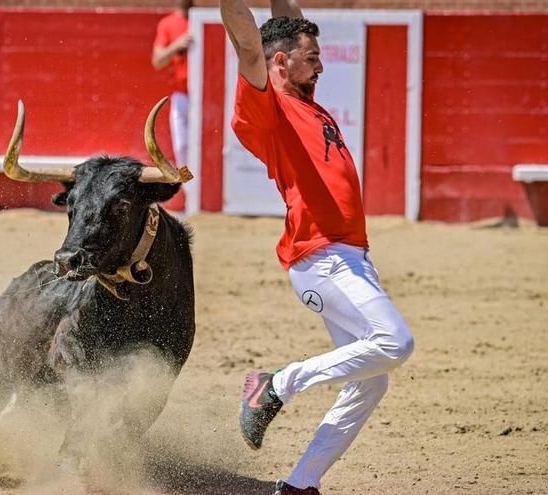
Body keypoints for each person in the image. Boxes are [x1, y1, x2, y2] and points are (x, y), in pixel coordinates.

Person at [219, 1, 415, 494]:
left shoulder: (307, 102)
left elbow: (286, 15)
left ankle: (300, 485)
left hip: (349, 256)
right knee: (395, 342)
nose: (322, 65)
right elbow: (248, 41)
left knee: (373, 378)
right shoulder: (269, 106)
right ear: (280, 62)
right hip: (320, 256)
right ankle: (276, 384)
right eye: (312, 57)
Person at [152, 0, 194, 166]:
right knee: (182, 147)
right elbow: (158, 60)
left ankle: (200, 187)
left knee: (204, 146)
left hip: (205, 97)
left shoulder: (202, 19)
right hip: (182, 95)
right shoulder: (168, 23)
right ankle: (188, 187)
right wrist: (176, 45)